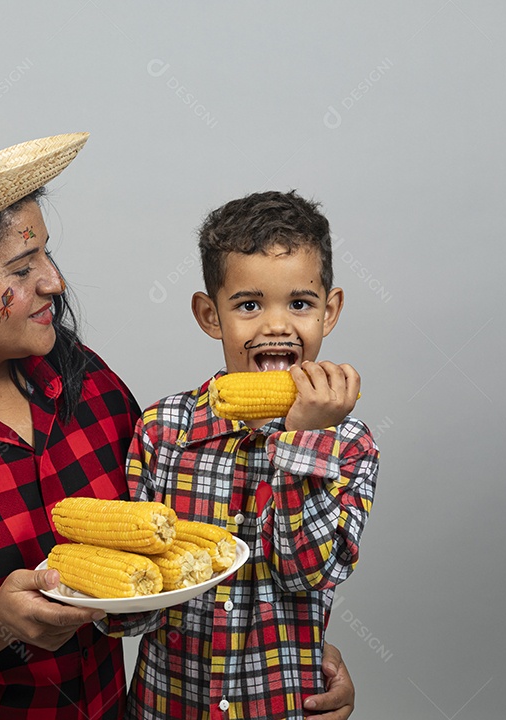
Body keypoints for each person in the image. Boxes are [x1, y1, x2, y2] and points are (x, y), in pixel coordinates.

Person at [0, 133, 358, 719]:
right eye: (21, 266)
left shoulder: (90, 387)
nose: (54, 282)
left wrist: (291, 652)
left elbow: (192, 541)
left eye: (47, 254)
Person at [107, 191, 379, 719]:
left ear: (331, 309)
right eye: (249, 305)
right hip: (167, 706)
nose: (276, 325)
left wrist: (303, 440)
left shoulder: (349, 444)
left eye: (299, 304)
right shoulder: (163, 431)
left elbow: (306, 573)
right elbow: (132, 606)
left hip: (281, 706)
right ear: (210, 315)